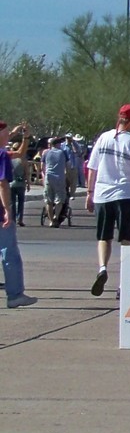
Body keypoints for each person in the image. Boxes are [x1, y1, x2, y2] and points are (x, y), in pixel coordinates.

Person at [86, 104, 130, 296]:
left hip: (102, 194)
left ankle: (102, 267)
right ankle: (124, 283)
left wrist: (90, 193)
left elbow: (92, 167)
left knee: (103, 237)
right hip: (125, 195)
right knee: (127, 241)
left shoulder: (103, 138)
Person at [0, 120, 32, 307]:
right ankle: (15, 295)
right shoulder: (2, 154)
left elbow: (19, 153)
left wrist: (24, 136)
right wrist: (7, 210)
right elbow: (2, 183)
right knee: (9, 253)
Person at [39, 135, 70, 226]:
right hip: (60, 177)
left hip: (49, 177)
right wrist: (68, 176)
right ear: (56, 144)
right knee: (59, 199)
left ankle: (51, 219)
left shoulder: (45, 153)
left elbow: (42, 167)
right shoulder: (63, 153)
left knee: (49, 199)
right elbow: (68, 166)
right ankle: (56, 216)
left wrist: (43, 176)